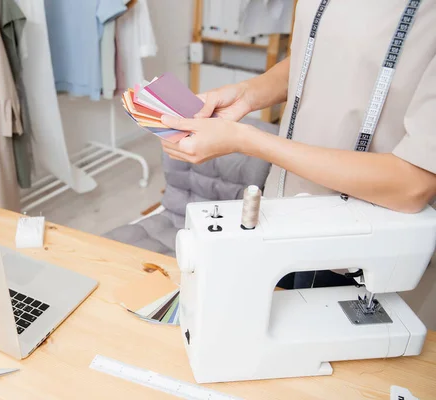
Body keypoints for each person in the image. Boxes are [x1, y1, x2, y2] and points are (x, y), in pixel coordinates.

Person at [160, 1, 436, 327]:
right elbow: (317, 53)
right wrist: (244, 94)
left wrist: (247, 141)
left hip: (364, 239)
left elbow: (413, 183)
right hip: (282, 210)